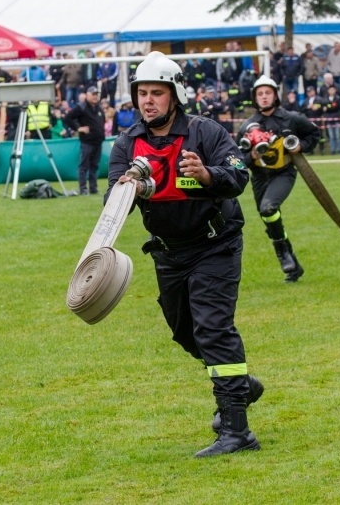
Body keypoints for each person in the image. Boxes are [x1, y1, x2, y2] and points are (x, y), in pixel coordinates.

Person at [106, 51, 262, 458]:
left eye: (157, 93)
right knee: (184, 331)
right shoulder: (126, 143)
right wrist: (129, 188)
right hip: (168, 253)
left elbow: (239, 176)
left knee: (213, 328)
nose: (148, 101)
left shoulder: (205, 132)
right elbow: (112, 202)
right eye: (142, 93)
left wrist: (207, 175)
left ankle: (237, 430)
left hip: (215, 245)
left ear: (175, 95)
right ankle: (241, 386)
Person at [236, 75, 320, 282]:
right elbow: (236, 160)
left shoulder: (292, 118)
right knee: (270, 218)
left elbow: (314, 134)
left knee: (268, 208)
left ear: (275, 96)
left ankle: (282, 254)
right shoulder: (247, 126)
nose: (264, 97)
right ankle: (294, 266)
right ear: (255, 98)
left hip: (284, 173)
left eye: (268, 93)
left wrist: (301, 146)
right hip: (259, 177)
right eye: (260, 94)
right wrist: (251, 156)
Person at [64, 86, 105, 195]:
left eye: (96, 94)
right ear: (87, 95)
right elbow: (68, 118)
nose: (95, 96)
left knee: (94, 165)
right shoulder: (81, 107)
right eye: (93, 94)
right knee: (84, 165)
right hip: (87, 141)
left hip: (98, 141)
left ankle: (93, 188)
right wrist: (78, 128)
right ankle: (83, 188)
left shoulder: (98, 107)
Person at [301, 86, 325, 155]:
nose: (309, 93)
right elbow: (301, 109)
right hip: (309, 120)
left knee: (320, 135)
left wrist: (317, 107)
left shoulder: (319, 99)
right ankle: (310, 151)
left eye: (311, 91)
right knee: (310, 135)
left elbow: (324, 106)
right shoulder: (305, 101)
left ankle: (321, 150)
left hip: (318, 119)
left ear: (314, 91)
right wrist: (307, 107)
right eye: (308, 92)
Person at [323, 85, 340, 155]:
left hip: (336, 119)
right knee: (331, 136)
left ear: (335, 90)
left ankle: (339, 150)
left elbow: (336, 107)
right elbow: (324, 107)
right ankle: (332, 150)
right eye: (330, 90)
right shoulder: (325, 98)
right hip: (329, 119)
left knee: (337, 136)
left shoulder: (338, 98)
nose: (331, 91)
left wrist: (328, 107)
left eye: (333, 89)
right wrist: (330, 106)